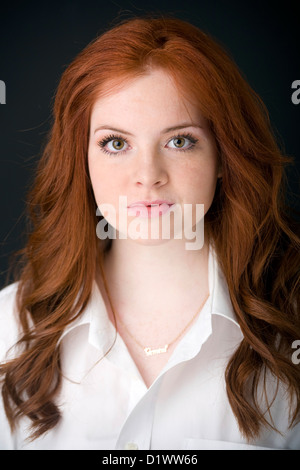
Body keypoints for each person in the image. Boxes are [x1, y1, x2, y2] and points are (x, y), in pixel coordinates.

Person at [0, 16, 299, 450]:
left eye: (179, 141)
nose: (148, 177)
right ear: (81, 160)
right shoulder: (8, 330)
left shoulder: (289, 329)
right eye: (116, 144)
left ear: (224, 158)